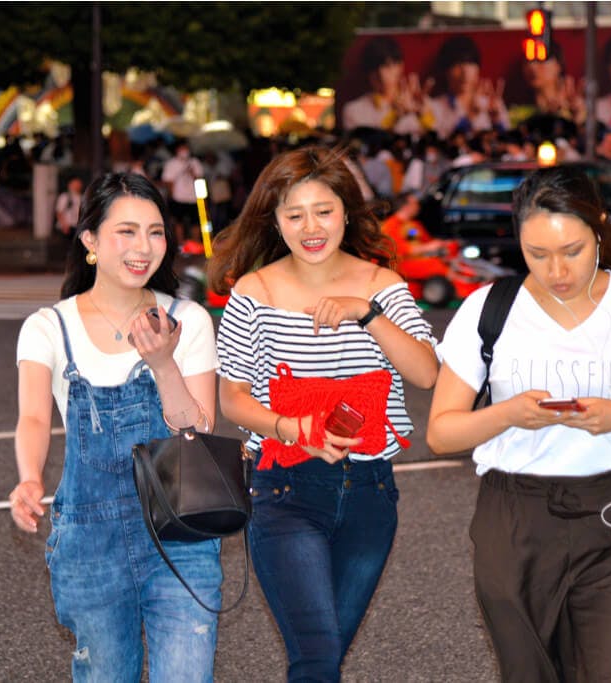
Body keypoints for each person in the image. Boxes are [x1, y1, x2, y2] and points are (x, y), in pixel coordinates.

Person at [427, 165, 611, 682]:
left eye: (572, 250)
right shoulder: (490, 309)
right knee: (528, 671)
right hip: (513, 516)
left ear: (599, 227)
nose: (556, 270)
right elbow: (442, 433)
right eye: (538, 254)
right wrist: (509, 414)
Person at [208, 146, 439, 681]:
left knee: (324, 658)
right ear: (276, 222)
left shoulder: (381, 285)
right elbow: (234, 399)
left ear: (347, 213)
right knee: (316, 660)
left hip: (370, 493)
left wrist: (368, 315)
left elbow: (426, 373)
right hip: (285, 490)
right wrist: (293, 427)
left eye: (324, 211)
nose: (311, 227)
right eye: (295, 215)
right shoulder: (254, 292)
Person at [9, 173, 223, 682]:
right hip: (88, 541)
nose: (143, 247)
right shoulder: (48, 327)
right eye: (126, 231)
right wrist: (30, 478)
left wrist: (164, 364)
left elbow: (200, 427)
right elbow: (34, 417)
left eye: (155, 232)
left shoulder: (187, 319)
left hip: (182, 532)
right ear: (90, 240)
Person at [342, 35, 431, 137]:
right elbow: (363, 145)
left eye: (388, 66)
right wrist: (394, 117)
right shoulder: (354, 110)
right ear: (367, 72)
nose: (382, 75)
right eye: (375, 68)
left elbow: (442, 139)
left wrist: (422, 116)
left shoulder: (421, 102)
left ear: (400, 66)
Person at [427, 35, 509, 140]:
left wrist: (496, 121)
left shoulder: (491, 104)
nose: (465, 72)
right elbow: (440, 146)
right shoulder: (435, 107)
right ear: (446, 70)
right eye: (457, 64)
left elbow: (509, 144)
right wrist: (470, 116)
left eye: (470, 64)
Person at [161, 140, 204, 242]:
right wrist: (171, 194)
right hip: (178, 197)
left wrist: (192, 173)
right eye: (182, 149)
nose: (184, 151)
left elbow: (200, 179)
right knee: (178, 222)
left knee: (196, 222)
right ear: (177, 150)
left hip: (194, 198)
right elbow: (166, 181)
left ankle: (196, 245)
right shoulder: (171, 163)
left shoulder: (194, 162)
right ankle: (181, 245)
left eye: (186, 149)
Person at [54, 173, 83, 238]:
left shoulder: (81, 197)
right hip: (66, 227)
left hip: (77, 227)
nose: (78, 185)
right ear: (70, 184)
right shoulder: (65, 196)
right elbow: (59, 212)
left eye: (79, 183)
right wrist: (64, 225)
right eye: (76, 183)